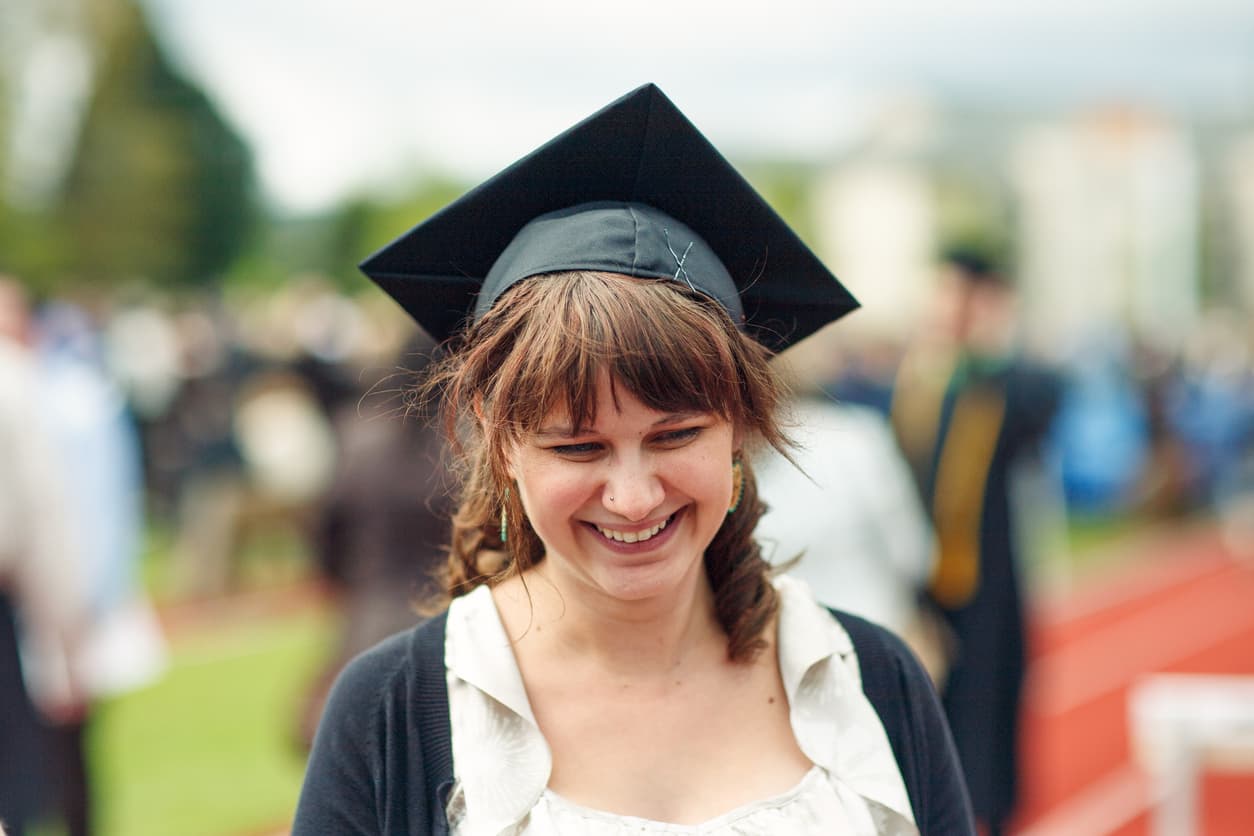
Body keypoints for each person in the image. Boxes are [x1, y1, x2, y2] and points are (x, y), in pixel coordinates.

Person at [294, 84, 973, 835]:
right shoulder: (394, 712)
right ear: (498, 437)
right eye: (577, 446)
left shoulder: (869, 680)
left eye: (675, 435)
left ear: (740, 426)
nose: (633, 496)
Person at [891, 247, 1063, 835]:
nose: (950, 309)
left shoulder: (1006, 384)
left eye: (963, 296)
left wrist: (992, 340)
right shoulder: (917, 383)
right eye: (944, 294)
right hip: (924, 586)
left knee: (989, 715)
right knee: (927, 719)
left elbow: (1045, 399)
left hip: (990, 585)